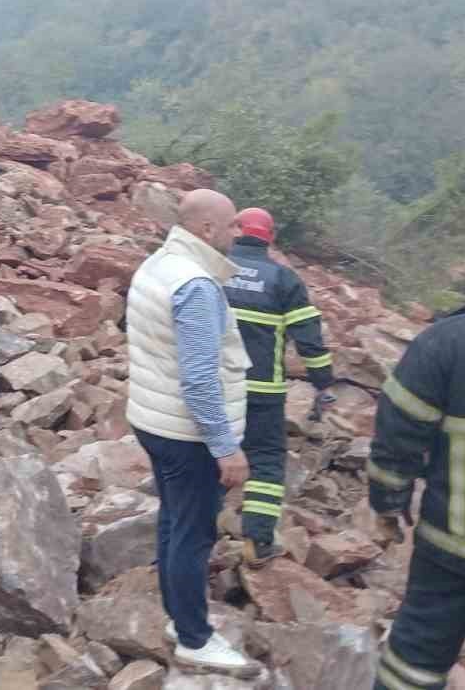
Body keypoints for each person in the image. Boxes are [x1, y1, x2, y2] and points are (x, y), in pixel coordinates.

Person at [126, 187, 258, 675]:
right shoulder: (196, 285)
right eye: (231, 225)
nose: (237, 233)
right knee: (193, 532)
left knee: (174, 522)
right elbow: (200, 379)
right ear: (206, 229)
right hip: (188, 435)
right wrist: (225, 448)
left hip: (153, 420)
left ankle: (178, 616)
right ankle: (194, 639)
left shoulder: (160, 263)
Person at [368, 294, 465, 690]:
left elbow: (397, 438)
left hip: (452, 549)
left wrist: (387, 504)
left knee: (413, 663)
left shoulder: (448, 341)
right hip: (450, 551)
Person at [221, 207, 336, 564]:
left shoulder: (211, 269)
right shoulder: (283, 279)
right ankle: (257, 541)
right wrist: (323, 383)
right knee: (266, 461)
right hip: (262, 391)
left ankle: (196, 533)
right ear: (270, 238)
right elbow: (309, 340)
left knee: (207, 451)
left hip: (212, 387)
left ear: (235, 230)